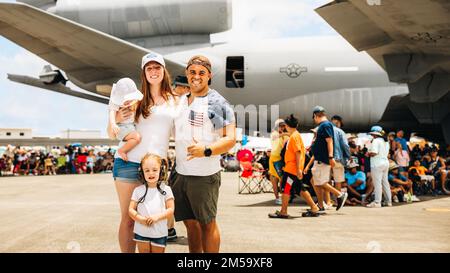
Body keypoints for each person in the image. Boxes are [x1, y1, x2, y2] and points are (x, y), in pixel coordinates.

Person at [107, 51, 177, 253]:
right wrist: (117, 118)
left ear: (164, 71)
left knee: (154, 221)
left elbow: (180, 134)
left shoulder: (175, 101)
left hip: (156, 168)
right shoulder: (134, 99)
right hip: (129, 164)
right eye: (149, 68)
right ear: (144, 73)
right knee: (129, 219)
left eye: (157, 67)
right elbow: (112, 133)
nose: (154, 71)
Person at [171, 55, 236, 253]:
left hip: (204, 175)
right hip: (180, 172)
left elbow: (231, 138)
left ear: (209, 76)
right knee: (190, 224)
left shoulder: (215, 102)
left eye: (201, 73)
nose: (196, 77)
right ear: (187, 74)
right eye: (192, 72)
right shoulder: (183, 100)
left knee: (207, 224)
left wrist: (206, 150)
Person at [269, 114, 320, 218]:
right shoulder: (294, 135)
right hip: (293, 168)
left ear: (287, 125)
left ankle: (283, 211)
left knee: (285, 188)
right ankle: (314, 208)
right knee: (300, 189)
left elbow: (297, 152)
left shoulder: (294, 137)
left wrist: (298, 169)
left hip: (292, 169)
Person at [128, 153, 174, 253]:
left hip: (159, 232)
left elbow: (171, 210)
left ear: (161, 171)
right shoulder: (138, 190)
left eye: (154, 170)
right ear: (142, 172)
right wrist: (140, 219)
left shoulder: (166, 189)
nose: (151, 173)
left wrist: (157, 217)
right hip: (141, 231)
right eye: (147, 170)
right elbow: (131, 209)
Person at [310, 106, 348, 212]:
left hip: (322, 159)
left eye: (314, 118)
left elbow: (329, 141)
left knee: (320, 182)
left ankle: (340, 195)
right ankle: (321, 206)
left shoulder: (325, 125)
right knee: (316, 182)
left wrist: (331, 156)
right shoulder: (324, 125)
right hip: (320, 159)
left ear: (315, 115)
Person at [109, 78, 144, 161]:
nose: (127, 102)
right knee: (136, 137)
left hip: (130, 126)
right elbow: (112, 113)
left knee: (136, 137)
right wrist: (113, 124)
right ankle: (122, 150)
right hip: (121, 128)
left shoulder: (136, 102)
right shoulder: (115, 104)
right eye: (125, 100)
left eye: (129, 100)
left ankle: (122, 150)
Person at [366, 126, 392, 208]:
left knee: (377, 184)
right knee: (385, 183)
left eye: (372, 134)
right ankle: (388, 202)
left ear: (375, 134)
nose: (372, 135)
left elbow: (374, 152)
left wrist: (368, 154)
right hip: (385, 163)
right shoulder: (386, 141)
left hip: (377, 164)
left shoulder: (376, 141)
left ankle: (377, 202)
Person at [268, 119, 289, 205]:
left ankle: (281, 196)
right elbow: (276, 137)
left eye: (284, 125)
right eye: (281, 125)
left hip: (280, 159)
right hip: (275, 159)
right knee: (275, 179)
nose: (282, 127)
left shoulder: (284, 135)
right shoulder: (275, 134)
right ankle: (278, 197)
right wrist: (284, 133)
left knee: (281, 179)